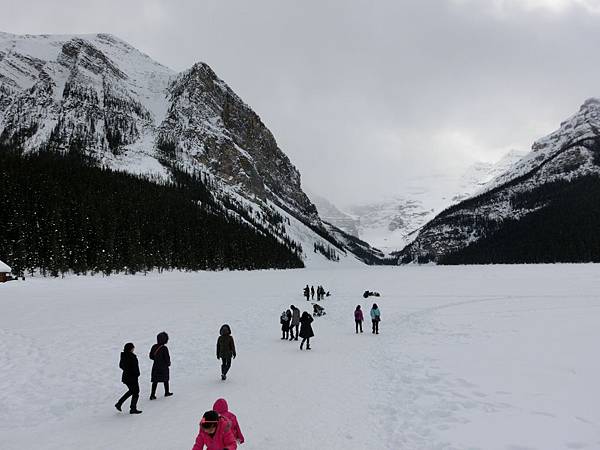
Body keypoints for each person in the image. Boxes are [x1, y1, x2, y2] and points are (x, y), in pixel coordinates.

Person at [115, 342, 142, 414]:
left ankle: (119, 404)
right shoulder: (131, 357)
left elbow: (121, 366)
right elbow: (134, 367)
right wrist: (136, 374)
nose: (133, 349)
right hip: (132, 378)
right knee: (136, 392)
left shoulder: (124, 356)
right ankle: (133, 409)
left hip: (126, 377)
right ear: (130, 349)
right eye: (133, 348)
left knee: (132, 391)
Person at [149, 331, 173, 400]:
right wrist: (168, 363)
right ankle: (167, 392)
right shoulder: (164, 348)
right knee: (165, 379)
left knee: (155, 380)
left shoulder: (154, 346)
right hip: (163, 367)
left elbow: (151, 356)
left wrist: (156, 359)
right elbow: (167, 358)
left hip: (155, 366)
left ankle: (152, 395)